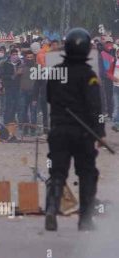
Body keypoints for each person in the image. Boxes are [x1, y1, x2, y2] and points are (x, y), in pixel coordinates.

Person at [45, 28, 106, 231]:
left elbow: (49, 99)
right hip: (83, 132)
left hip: (59, 129)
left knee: (57, 173)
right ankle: (85, 219)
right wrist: (100, 131)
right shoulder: (89, 76)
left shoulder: (56, 72)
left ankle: (51, 210)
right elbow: (96, 107)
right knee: (87, 173)